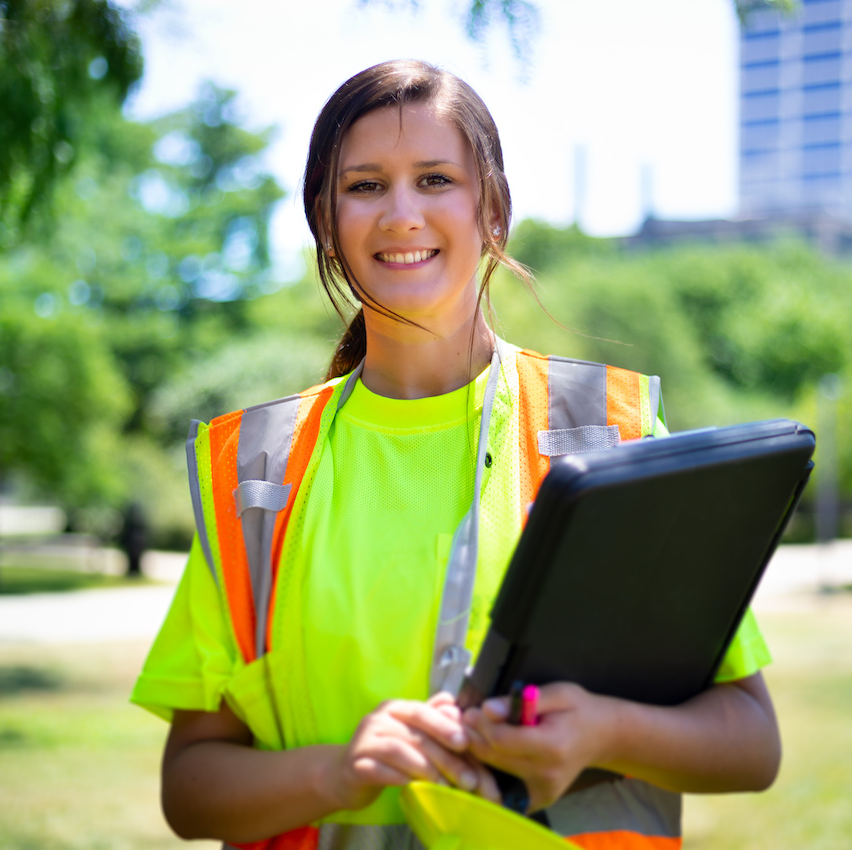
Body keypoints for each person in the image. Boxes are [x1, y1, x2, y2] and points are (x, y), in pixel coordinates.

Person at [131, 59, 781, 850]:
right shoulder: (258, 470)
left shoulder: (611, 430)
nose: (401, 213)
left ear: (493, 209)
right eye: (364, 186)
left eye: (435, 179)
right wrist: (340, 771)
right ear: (325, 222)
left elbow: (751, 741)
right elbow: (190, 791)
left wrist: (602, 732)